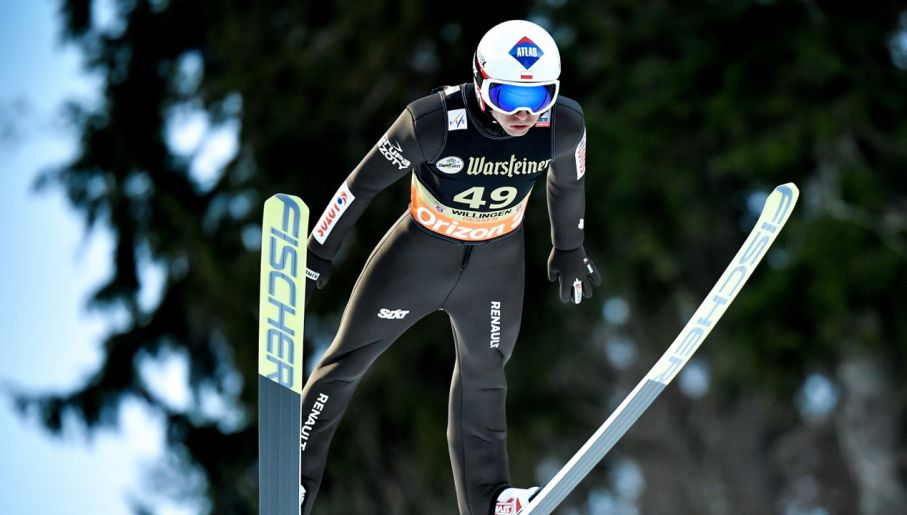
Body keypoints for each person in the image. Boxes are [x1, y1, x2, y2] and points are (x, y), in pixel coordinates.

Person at [299, 19, 601, 515]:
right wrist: (316, 253)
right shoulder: (431, 122)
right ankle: (296, 478)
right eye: (507, 96)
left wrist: (570, 248)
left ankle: (489, 500)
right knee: (346, 361)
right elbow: (361, 185)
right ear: (481, 83)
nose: (524, 113)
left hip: (495, 267)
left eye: (539, 96)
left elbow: (568, 183)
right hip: (418, 258)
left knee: (485, 376)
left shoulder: (564, 125)